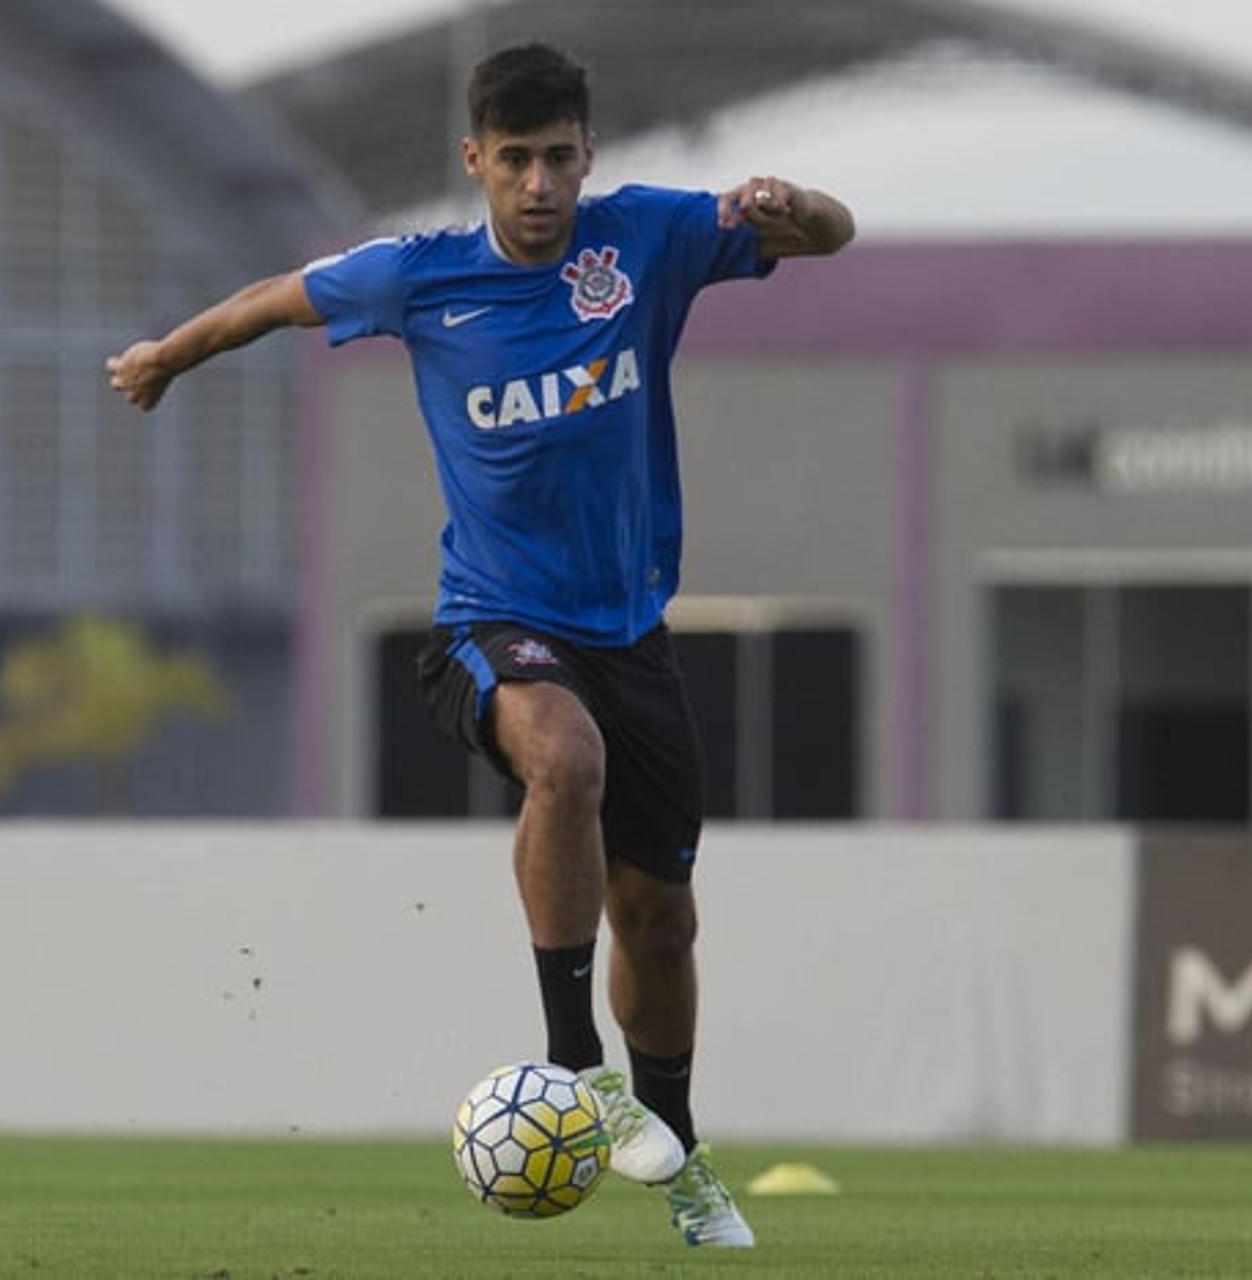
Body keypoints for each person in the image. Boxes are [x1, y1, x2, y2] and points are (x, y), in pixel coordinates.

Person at [108, 41, 853, 1247]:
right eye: (516, 161)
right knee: (564, 759)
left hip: (632, 632)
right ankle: (577, 1073)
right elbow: (275, 298)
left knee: (660, 919)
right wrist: (164, 358)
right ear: (476, 162)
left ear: (588, 155)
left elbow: (833, 235)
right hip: (491, 623)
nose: (541, 184)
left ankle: (679, 1159)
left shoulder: (650, 240)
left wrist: (794, 203)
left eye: (559, 158)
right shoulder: (417, 276)